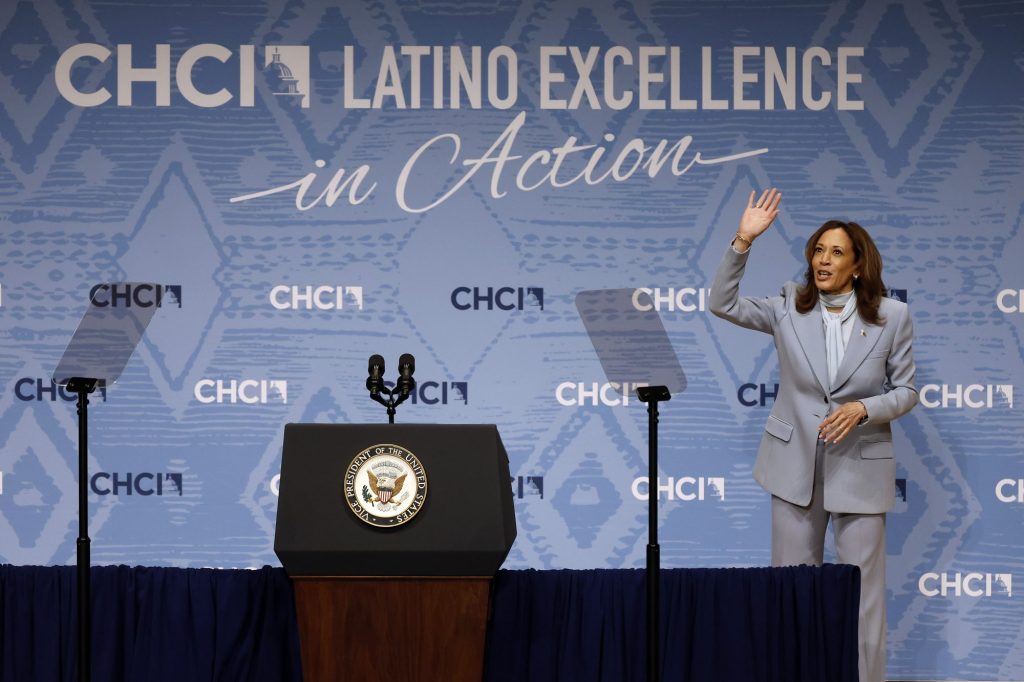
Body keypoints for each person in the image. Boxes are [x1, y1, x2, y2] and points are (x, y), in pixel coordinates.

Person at [708, 188, 918, 682]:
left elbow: (906, 391)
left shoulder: (892, 317)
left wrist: (865, 407)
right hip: (793, 468)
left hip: (859, 469)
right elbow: (721, 303)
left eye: (836, 252)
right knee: (790, 595)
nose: (823, 261)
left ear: (859, 265)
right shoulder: (787, 306)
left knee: (864, 600)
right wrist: (743, 240)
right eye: (818, 251)